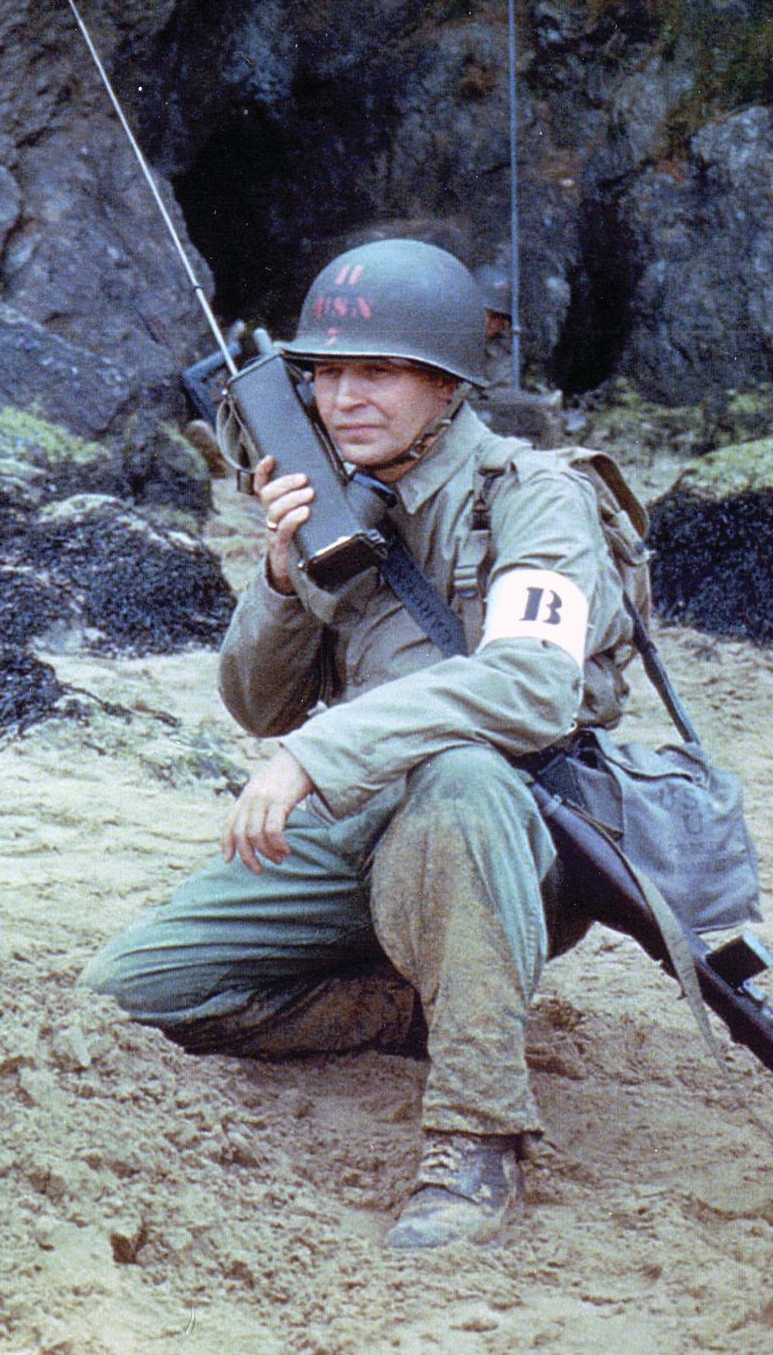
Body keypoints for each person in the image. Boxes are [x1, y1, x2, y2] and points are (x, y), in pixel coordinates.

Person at [82, 238, 633, 1250]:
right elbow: (256, 705)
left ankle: (478, 1136)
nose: (344, 398)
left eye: (376, 370)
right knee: (129, 994)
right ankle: (405, 1012)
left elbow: (531, 684)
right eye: (327, 373)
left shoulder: (532, 495)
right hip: (366, 819)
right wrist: (282, 580)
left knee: (461, 776)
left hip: (512, 835)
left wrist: (316, 756)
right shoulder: (334, 499)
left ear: (446, 383)